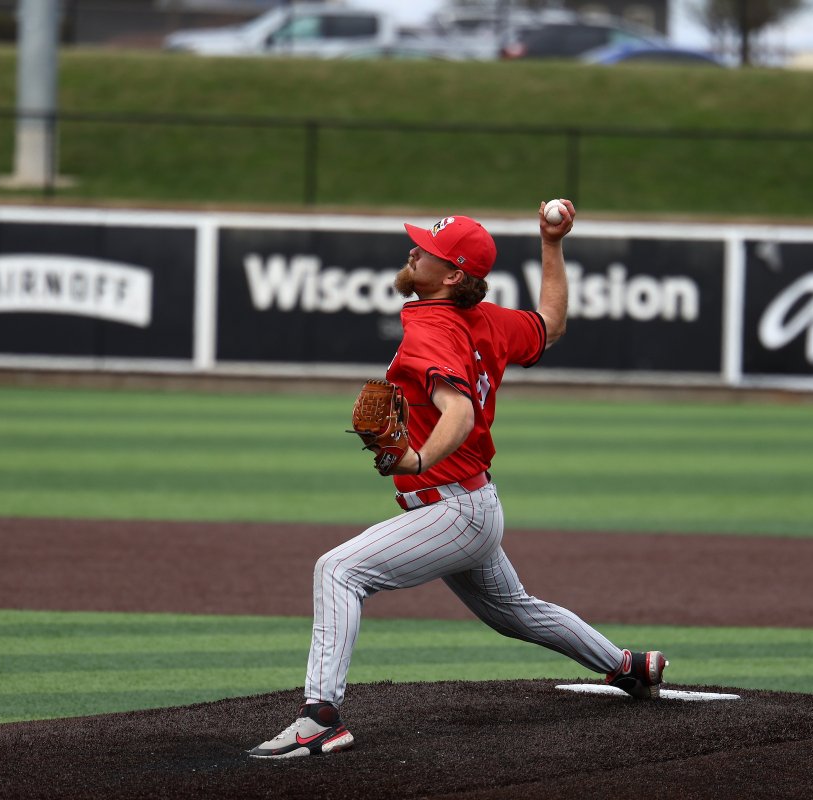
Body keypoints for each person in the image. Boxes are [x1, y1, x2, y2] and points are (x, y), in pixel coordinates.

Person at [248, 201, 667, 758]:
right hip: (471, 502)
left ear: (451, 276)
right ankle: (628, 666)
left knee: (339, 571)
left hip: (454, 510)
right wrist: (552, 244)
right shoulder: (488, 320)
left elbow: (460, 412)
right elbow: (551, 324)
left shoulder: (432, 327)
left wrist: (418, 459)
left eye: (428, 250)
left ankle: (320, 717)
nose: (414, 251)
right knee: (515, 612)